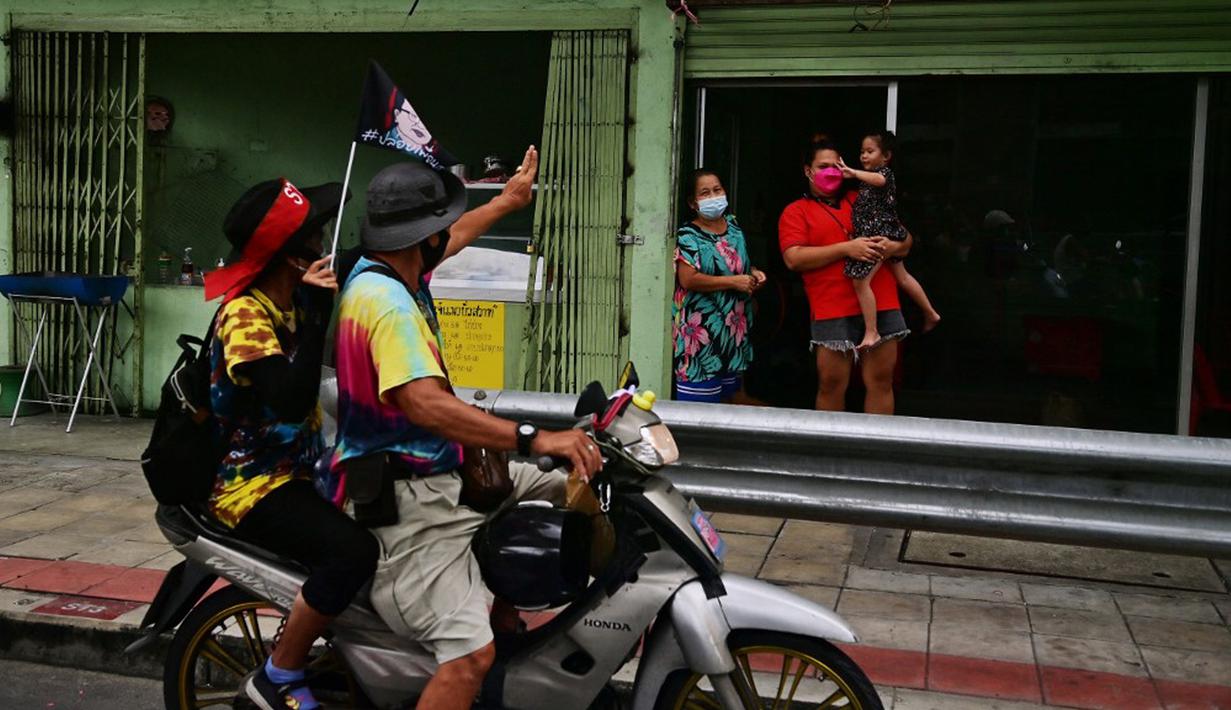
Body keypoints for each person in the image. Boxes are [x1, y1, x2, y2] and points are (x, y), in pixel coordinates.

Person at [330, 146, 602, 710]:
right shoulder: (388, 305)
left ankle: (508, 619)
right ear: (420, 237)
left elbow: (453, 239)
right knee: (468, 658)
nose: (447, 233)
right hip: (415, 500)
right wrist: (534, 437)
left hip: (446, 473)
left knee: (564, 486)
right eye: (440, 225)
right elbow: (425, 404)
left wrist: (507, 201)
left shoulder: (388, 269)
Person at [201, 178, 379, 710]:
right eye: (316, 236)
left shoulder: (293, 294)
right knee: (353, 552)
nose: (326, 244)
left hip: (303, 470)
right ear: (291, 256)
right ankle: (278, 673)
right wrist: (321, 313)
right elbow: (287, 400)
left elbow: (386, 251)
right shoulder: (245, 314)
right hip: (250, 486)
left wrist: (500, 204)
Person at [778, 140, 914, 414]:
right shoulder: (796, 211)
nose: (831, 171)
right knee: (831, 383)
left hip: (882, 302)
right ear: (808, 170)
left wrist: (892, 247)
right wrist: (847, 248)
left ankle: (876, 441)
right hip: (832, 307)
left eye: (836, 166)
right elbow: (794, 258)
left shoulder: (864, 197)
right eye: (823, 166)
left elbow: (906, 241)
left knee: (881, 381)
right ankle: (829, 442)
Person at [839, 130, 941, 348]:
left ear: (886, 156)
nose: (864, 156)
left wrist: (853, 172)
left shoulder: (884, 175)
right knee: (902, 277)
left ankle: (872, 331)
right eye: (862, 152)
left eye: (870, 151)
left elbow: (879, 179)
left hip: (881, 235)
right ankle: (930, 312)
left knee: (861, 281)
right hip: (882, 233)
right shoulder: (867, 181)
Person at [672, 169, 766, 402]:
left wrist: (753, 274)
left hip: (733, 335)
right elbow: (688, 279)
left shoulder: (733, 226)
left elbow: (737, 265)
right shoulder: (688, 235)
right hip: (701, 338)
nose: (713, 196)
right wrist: (734, 282)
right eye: (705, 193)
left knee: (729, 403)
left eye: (717, 190)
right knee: (699, 412)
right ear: (693, 203)